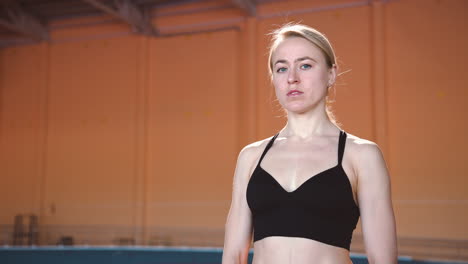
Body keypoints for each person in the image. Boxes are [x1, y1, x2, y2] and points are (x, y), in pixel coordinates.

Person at [221, 23, 397, 264]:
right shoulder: (251, 157)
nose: (292, 78)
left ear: (331, 74)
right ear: (274, 79)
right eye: (281, 69)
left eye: (305, 66)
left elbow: (382, 259)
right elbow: (232, 256)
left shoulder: (361, 155)